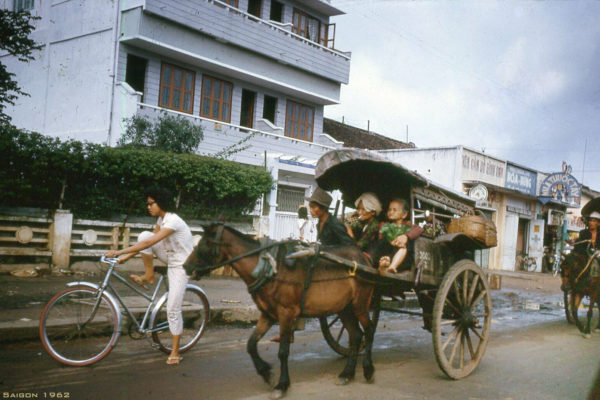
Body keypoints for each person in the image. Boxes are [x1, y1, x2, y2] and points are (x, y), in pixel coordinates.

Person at [104, 188, 193, 365]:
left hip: (181, 265)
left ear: (161, 202)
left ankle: (175, 351)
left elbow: (150, 243)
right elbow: (148, 240)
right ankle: (149, 275)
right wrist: (124, 259)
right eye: (148, 203)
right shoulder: (161, 219)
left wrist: (118, 251)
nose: (148, 207)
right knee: (145, 234)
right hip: (169, 255)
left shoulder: (173, 220)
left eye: (151, 203)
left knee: (172, 309)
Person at [378, 198, 424, 274]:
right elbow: (380, 239)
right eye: (389, 210)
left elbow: (420, 229)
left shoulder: (408, 224)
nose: (391, 212)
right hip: (387, 250)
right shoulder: (385, 226)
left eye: (394, 210)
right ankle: (383, 265)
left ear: (404, 214)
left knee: (403, 247)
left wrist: (406, 236)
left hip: (401, 255)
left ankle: (392, 267)